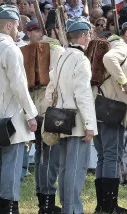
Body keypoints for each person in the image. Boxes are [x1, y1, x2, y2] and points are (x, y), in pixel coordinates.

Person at [0, 5, 39, 213]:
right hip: (12, 116)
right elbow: (19, 86)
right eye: (16, 27)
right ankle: (9, 205)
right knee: (11, 165)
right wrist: (31, 114)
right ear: (8, 25)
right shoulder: (10, 49)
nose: (18, 32)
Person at [44, 16, 97, 214]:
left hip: (61, 118)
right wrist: (90, 124)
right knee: (76, 169)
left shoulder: (62, 56)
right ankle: (72, 209)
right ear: (83, 36)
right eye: (89, 34)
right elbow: (82, 94)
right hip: (77, 121)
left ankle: (68, 206)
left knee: (66, 168)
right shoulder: (81, 59)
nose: (90, 38)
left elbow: (50, 91)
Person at [93, 17, 127, 214]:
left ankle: (102, 205)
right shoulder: (120, 45)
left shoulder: (108, 42)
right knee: (112, 156)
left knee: (104, 157)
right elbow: (109, 60)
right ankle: (110, 206)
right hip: (112, 107)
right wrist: (126, 84)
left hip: (98, 106)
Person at [22, 18, 64, 214]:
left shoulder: (28, 50)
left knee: (42, 154)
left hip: (34, 107)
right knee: (48, 156)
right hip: (47, 108)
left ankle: (43, 198)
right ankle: (46, 201)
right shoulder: (55, 50)